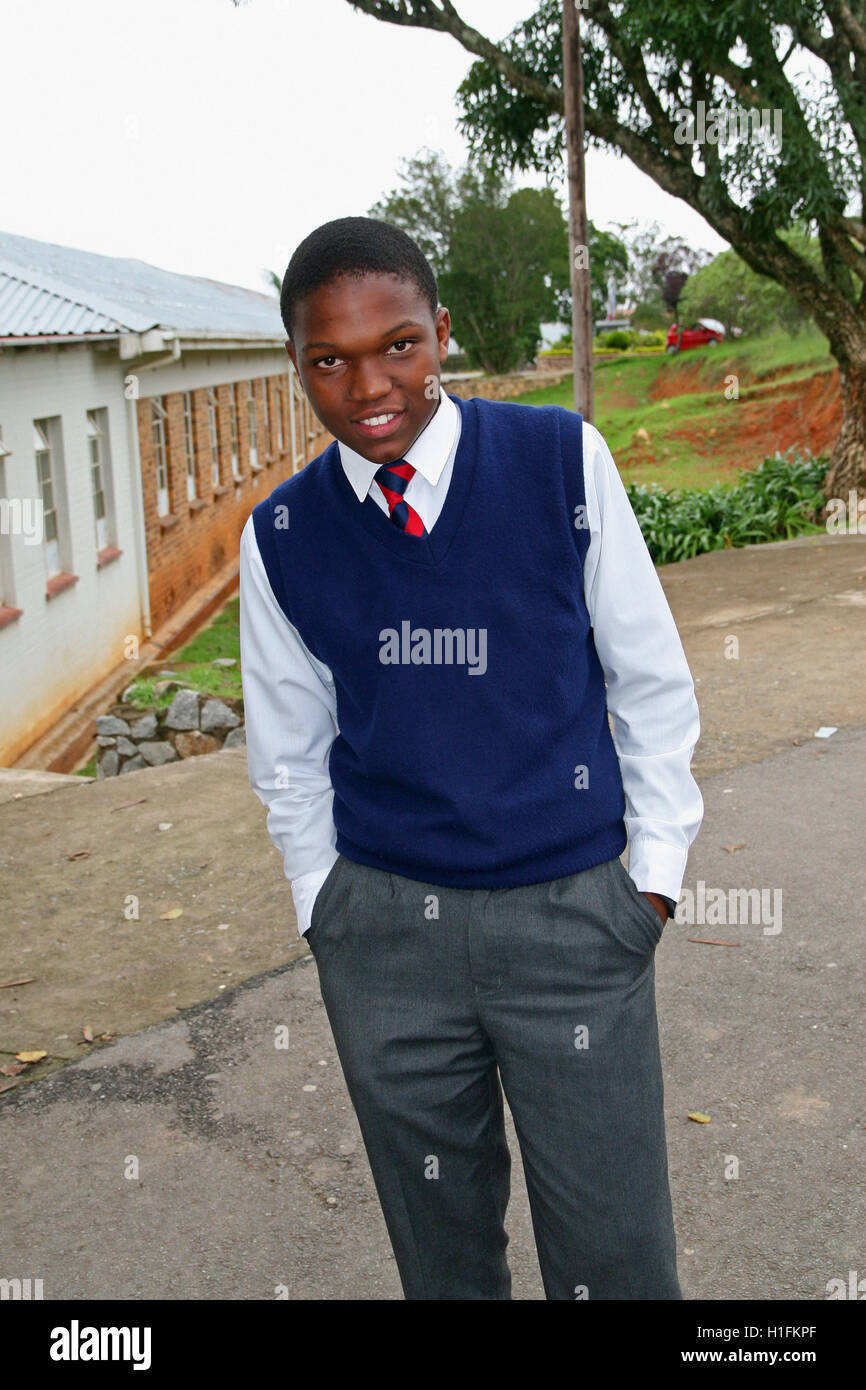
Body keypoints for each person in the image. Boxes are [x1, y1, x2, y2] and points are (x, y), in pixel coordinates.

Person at [238, 216, 704, 1300]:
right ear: (299, 365)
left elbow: (647, 681)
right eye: (328, 359)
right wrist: (327, 907)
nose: (367, 386)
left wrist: (650, 879)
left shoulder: (557, 460)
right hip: (387, 940)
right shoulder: (284, 536)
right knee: (441, 1261)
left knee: (617, 1259)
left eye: (395, 344)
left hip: (572, 917)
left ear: (440, 332)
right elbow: (290, 752)